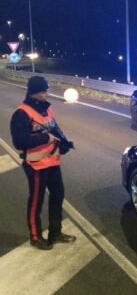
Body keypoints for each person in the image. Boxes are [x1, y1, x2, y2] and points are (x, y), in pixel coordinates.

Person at [10, 76, 76, 250]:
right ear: (34, 93)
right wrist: (46, 138)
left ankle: (56, 232)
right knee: (36, 202)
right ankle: (35, 236)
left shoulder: (46, 109)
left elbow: (54, 128)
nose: (47, 94)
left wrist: (64, 142)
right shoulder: (21, 114)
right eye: (44, 91)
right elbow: (20, 142)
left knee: (58, 196)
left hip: (52, 161)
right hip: (36, 165)